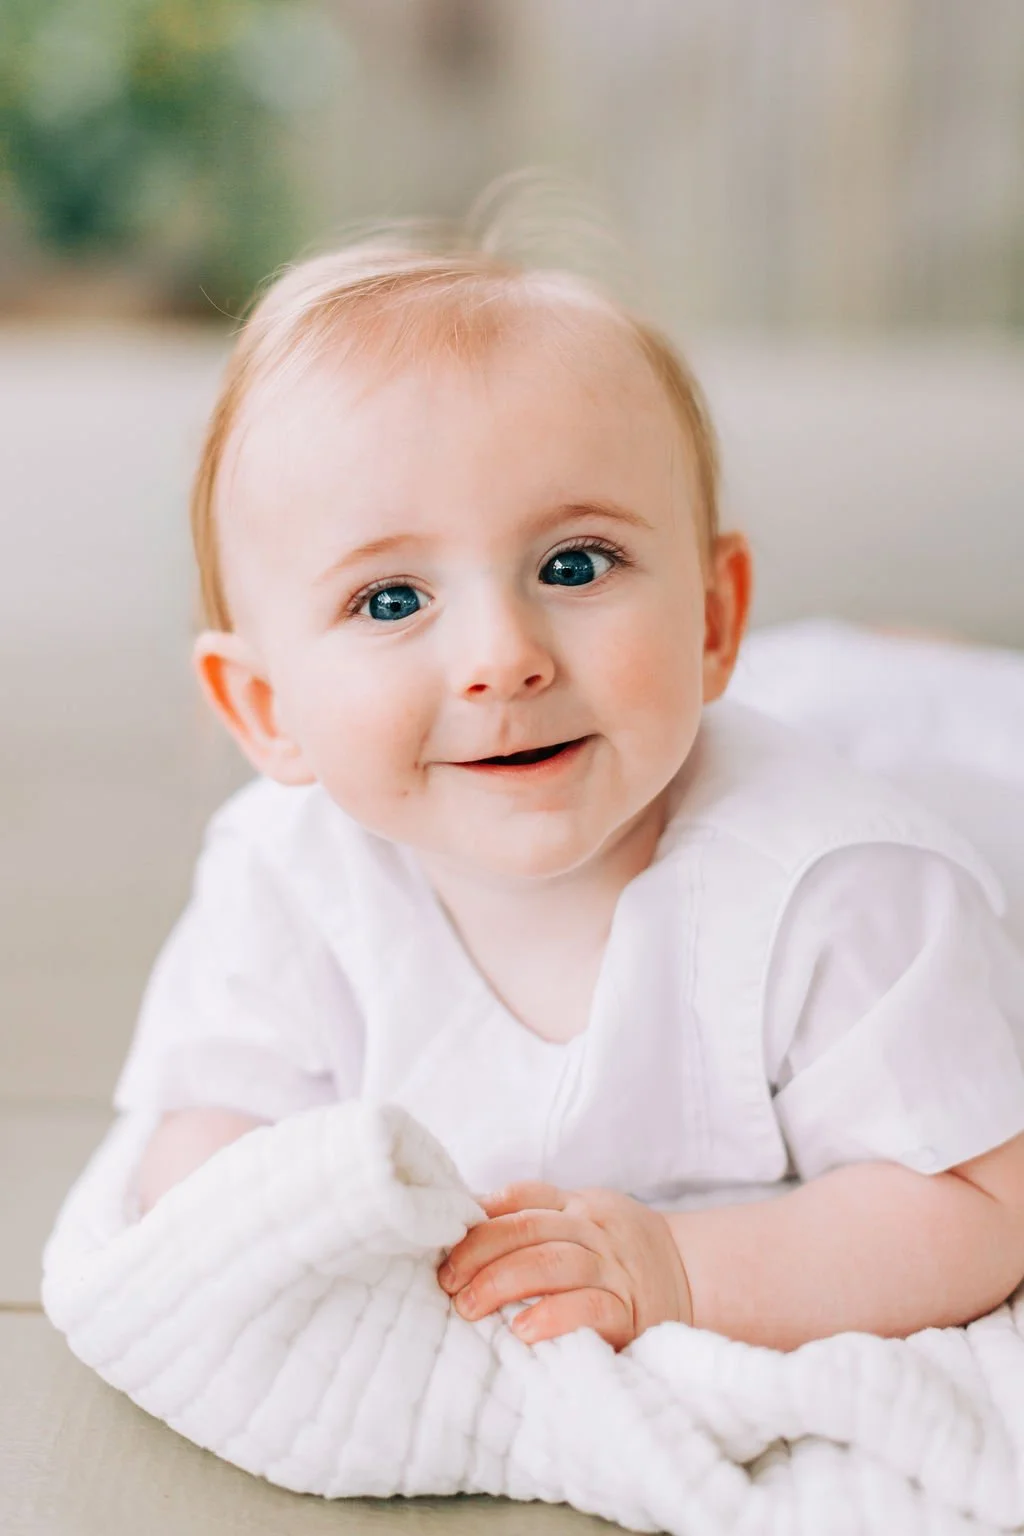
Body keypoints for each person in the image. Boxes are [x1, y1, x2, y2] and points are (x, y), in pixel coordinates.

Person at [119, 226, 1024, 1353]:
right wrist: (248, 1238)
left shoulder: (842, 887)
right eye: (391, 601)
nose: (504, 655)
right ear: (263, 710)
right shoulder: (280, 873)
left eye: (574, 564)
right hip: (742, 704)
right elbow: (204, 1125)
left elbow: (979, 1202)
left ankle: (903, 663)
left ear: (708, 617)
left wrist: (679, 1270)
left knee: (945, 725)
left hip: (962, 788)